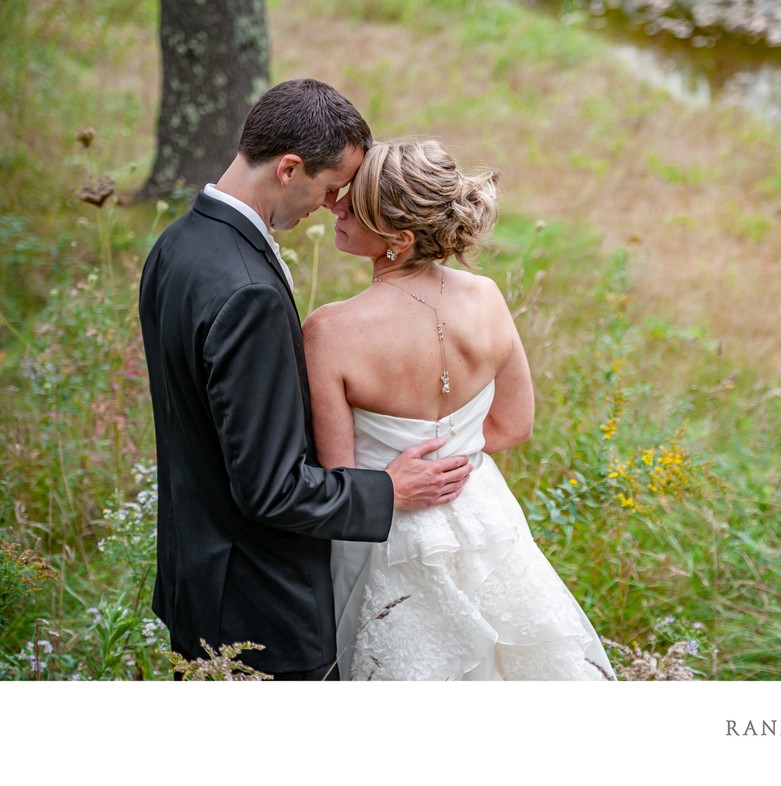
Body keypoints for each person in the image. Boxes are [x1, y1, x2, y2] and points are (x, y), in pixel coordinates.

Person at [138, 80, 472, 681]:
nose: (331, 204)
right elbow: (270, 489)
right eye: (329, 187)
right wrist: (388, 491)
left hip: (196, 575)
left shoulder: (178, 243)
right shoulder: (248, 293)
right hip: (260, 608)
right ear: (290, 168)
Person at [303, 139, 616, 680]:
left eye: (354, 204)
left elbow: (341, 477)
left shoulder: (329, 331)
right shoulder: (488, 297)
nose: (335, 206)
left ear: (398, 239)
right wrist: (455, 458)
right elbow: (515, 426)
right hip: (483, 514)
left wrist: (402, 477)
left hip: (388, 537)